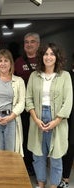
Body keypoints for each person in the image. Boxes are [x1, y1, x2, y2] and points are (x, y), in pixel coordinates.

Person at [26, 43, 73, 188]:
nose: (49, 57)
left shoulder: (64, 76)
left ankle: (53, 186)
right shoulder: (34, 75)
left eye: (52, 54)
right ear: (42, 57)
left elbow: (68, 101)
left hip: (57, 118)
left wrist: (57, 121)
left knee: (56, 156)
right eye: (46, 54)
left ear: (57, 57)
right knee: (38, 155)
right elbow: (29, 99)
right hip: (38, 118)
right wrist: (35, 118)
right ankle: (41, 183)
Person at [14, 32, 40, 176]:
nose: (29, 44)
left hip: (40, 106)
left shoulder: (44, 60)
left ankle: (38, 166)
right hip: (23, 106)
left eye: (32, 41)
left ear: (38, 44)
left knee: (38, 136)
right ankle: (27, 165)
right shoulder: (18, 61)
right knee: (24, 135)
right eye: (26, 42)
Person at [58, 54, 74, 188]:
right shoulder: (66, 75)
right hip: (67, 114)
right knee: (68, 144)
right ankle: (64, 177)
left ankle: (65, 177)